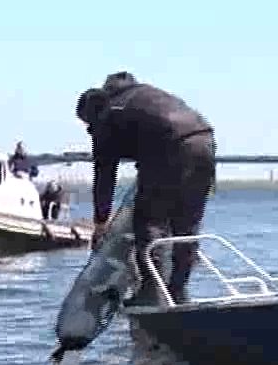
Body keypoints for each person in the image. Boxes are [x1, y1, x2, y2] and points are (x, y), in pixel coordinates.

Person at [75, 71, 216, 306]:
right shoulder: (144, 95)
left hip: (169, 146)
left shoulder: (108, 114)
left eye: (87, 124)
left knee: (149, 222)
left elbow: (104, 175)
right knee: (186, 225)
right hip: (205, 140)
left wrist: (100, 223)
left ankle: (152, 292)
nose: (89, 130)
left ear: (91, 113)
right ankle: (178, 292)